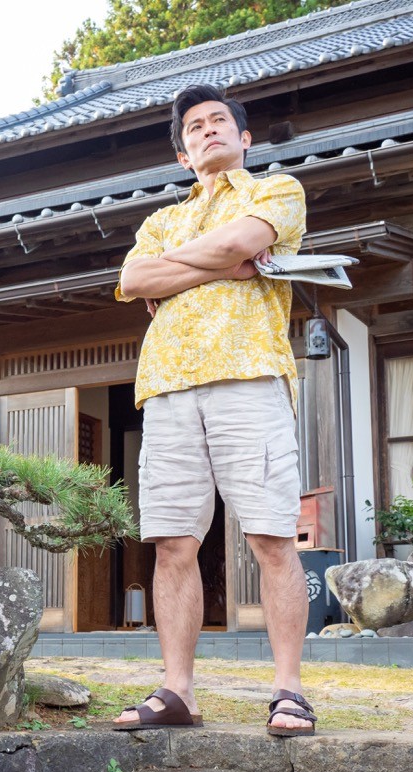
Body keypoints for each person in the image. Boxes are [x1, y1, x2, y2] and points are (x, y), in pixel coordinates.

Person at [112, 84, 316, 737]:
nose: (206, 131)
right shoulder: (160, 221)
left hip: (248, 374)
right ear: (181, 153)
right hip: (167, 386)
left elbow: (245, 241)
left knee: (271, 537)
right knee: (172, 544)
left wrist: (197, 265)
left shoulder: (276, 190)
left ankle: (289, 689)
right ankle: (179, 691)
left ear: (244, 136)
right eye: (194, 127)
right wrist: (225, 264)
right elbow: (135, 280)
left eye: (218, 121)